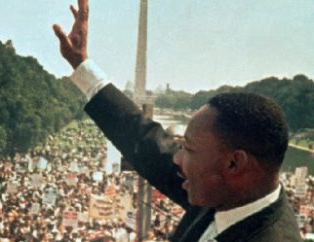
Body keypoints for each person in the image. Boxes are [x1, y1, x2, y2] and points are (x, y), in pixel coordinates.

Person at [52, 0, 302, 241]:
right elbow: (144, 139)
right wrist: (81, 65)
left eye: (188, 149)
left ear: (234, 163)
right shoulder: (227, 193)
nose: (175, 158)